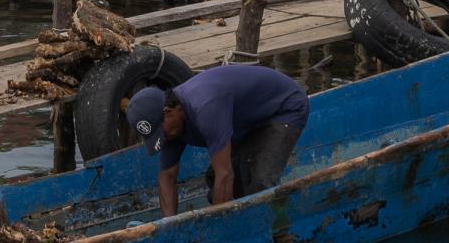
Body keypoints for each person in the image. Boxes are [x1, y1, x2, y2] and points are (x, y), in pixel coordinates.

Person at [126, 64, 311, 219]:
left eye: (162, 133)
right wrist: (169, 226)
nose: (163, 139)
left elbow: (225, 174)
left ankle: (279, 233)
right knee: (214, 179)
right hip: (247, 120)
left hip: (284, 108)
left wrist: (219, 229)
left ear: (169, 112)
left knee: (259, 182)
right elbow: (167, 177)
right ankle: (244, 222)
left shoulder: (205, 107)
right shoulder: (170, 128)